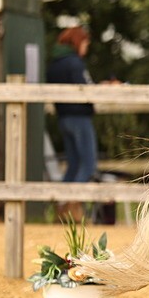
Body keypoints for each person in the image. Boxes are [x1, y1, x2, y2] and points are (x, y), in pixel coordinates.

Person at [47, 26, 98, 221]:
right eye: (85, 42)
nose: (86, 47)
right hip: (79, 117)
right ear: (78, 42)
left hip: (64, 118)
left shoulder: (55, 64)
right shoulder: (75, 63)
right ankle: (72, 206)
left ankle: (61, 207)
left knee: (73, 165)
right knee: (88, 163)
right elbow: (85, 89)